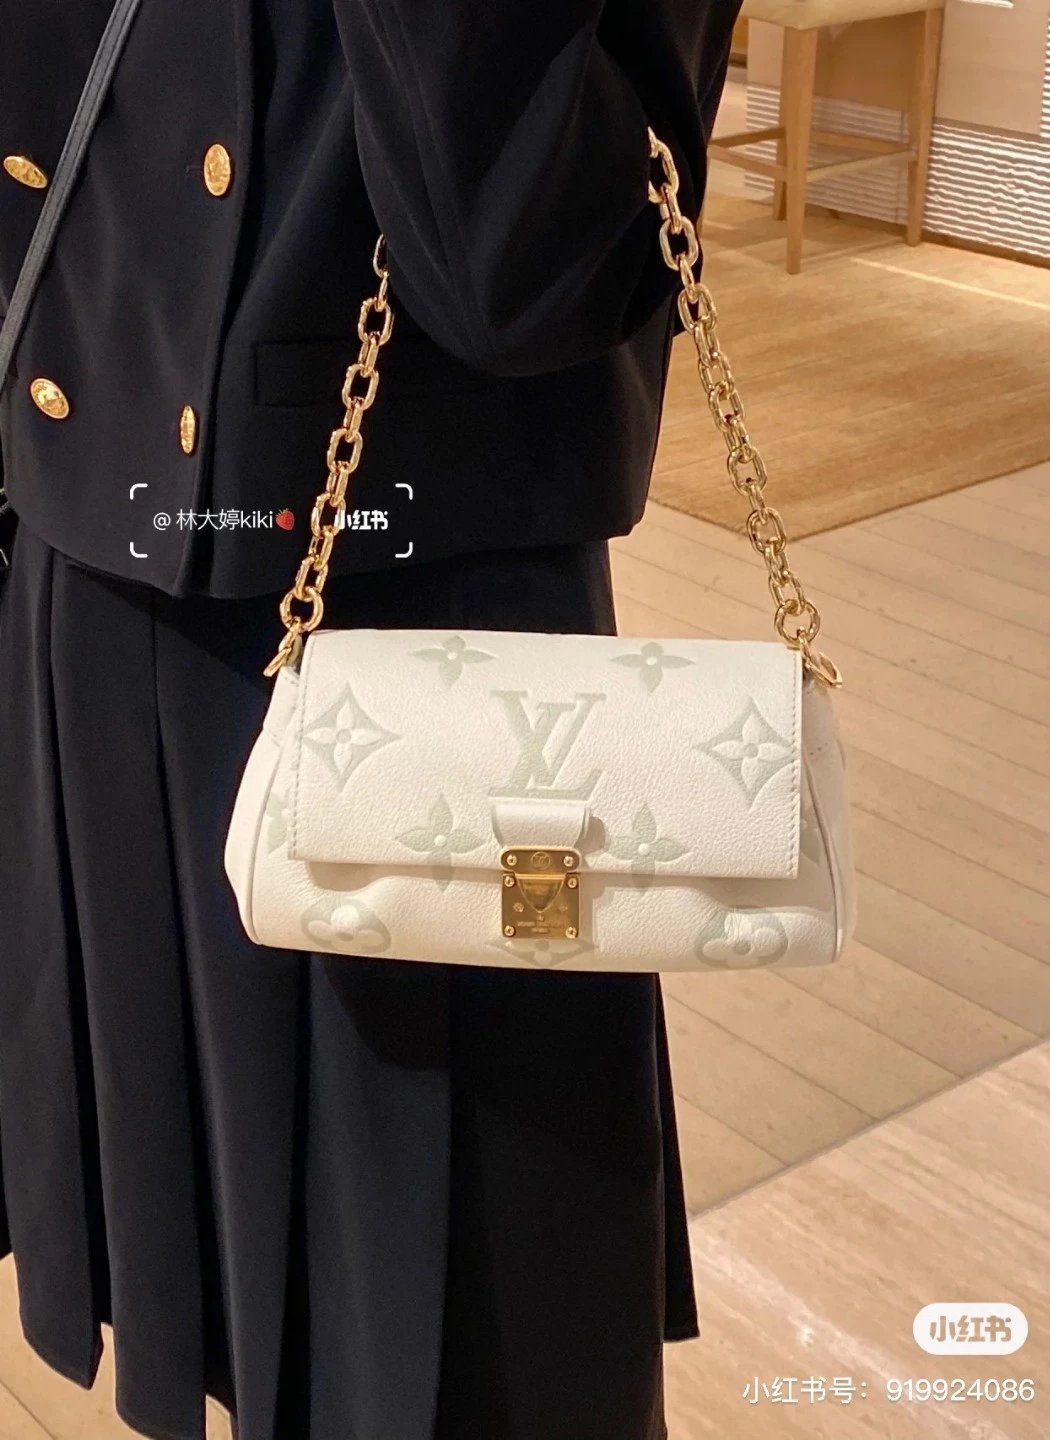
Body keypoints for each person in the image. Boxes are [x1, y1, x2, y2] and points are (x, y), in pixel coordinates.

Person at [0, 2, 742, 1436]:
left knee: (476, 1349)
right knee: (200, 1273)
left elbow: (524, 266)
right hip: (96, 566)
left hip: (436, 653)